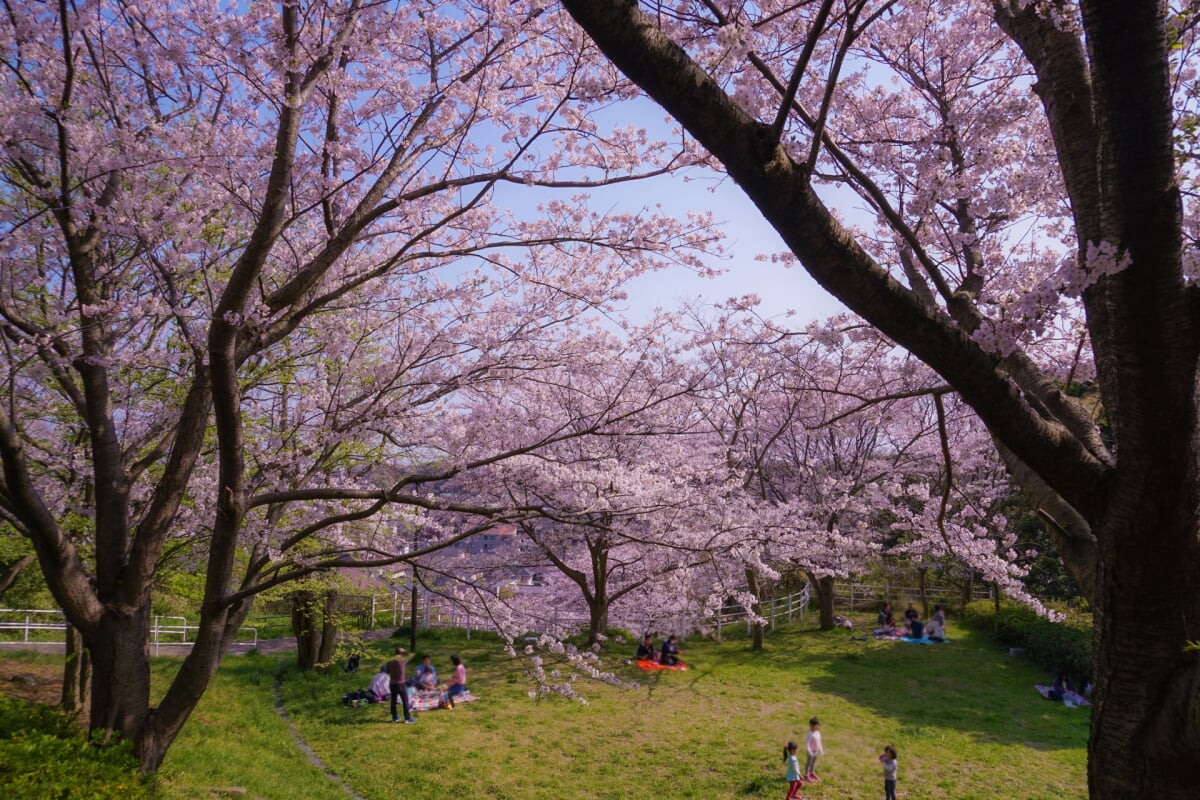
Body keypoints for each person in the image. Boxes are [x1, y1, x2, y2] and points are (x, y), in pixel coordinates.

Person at [386, 647, 416, 723]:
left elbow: (388, 671)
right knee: (405, 700)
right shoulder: (403, 660)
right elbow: (412, 655)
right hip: (400, 684)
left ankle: (395, 717)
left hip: (392, 683)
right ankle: (407, 718)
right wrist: (406, 651)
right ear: (401, 653)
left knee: (393, 701)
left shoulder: (389, 661)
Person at [804, 717, 824, 781]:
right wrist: (810, 752)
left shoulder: (818, 733)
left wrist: (821, 750)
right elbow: (807, 744)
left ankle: (812, 772)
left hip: (816, 751)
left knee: (813, 762)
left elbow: (819, 742)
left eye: (817, 726)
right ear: (811, 725)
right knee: (809, 763)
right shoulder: (810, 734)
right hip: (811, 751)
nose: (817, 727)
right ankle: (806, 775)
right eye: (815, 726)